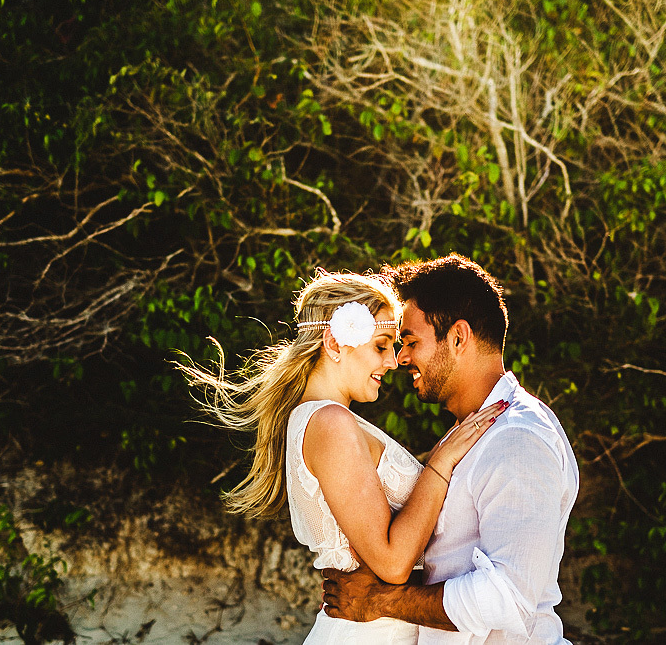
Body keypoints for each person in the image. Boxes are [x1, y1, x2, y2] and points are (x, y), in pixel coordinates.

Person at [177, 270, 506, 643]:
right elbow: (393, 562)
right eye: (381, 346)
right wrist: (439, 463)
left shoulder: (328, 422)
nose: (394, 361)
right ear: (334, 343)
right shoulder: (330, 423)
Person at [321, 254, 580, 643]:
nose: (400, 358)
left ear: (458, 338)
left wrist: (383, 599)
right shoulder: (468, 434)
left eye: (410, 342)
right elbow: (455, 564)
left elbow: (508, 596)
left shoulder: (519, 439)